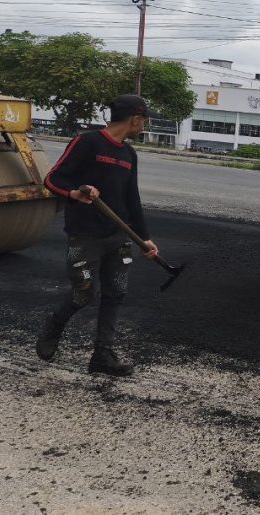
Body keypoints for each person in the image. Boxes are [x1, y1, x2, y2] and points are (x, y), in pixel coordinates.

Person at [36, 94, 160, 376]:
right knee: (85, 293)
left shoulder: (129, 154)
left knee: (116, 293)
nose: (144, 125)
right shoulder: (88, 142)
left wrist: (144, 238)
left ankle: (102, 356)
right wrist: (75, 193)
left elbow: (132, 198)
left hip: (119, 238)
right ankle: (54, 325)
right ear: (134, 119)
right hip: (85, 237)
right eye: (144, 120)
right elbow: (53, 179)